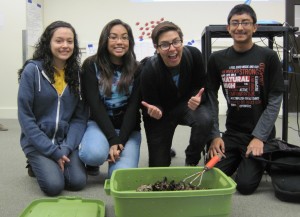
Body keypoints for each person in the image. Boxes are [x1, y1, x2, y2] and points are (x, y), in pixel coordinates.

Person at [207, 4, 285, 195]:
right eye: (235, 23)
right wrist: (215, 135)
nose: (240, 27)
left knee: (245, 186)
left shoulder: (269, 56)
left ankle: (262, 152)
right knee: (211, 174)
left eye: (245, 23)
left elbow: (276, 99)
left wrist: (259, 137)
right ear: (228, 28)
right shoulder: (217, 59)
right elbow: (210, 97)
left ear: (254, 27)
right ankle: (246, 159)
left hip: (260, 135)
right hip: (233, 133)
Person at [17, 21, 88, 196]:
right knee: (54, 186)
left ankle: (54, 162)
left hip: (64, 142)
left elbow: (79, 118)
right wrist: (51, 151)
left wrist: (65, 148)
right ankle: (35, 163)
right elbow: (25, 117)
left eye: (70, 41)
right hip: (38, 142)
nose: (65, 45)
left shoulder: (78, 75)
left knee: (77, 182)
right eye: (59, 41)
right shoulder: (32, 71)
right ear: (48, 43)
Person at [140, 21, 213, 167]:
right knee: (158, 167)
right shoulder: (148, 69)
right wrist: (154, 111)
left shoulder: (193, 55)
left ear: (182, 41)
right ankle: (164, 150)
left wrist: (198, 99)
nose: (172, 49)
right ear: (157, 48)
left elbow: (201, 88)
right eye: (165, 45)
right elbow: (148, 104)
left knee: (204, 119)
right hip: (161, 114)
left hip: (186, 106)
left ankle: (191, 158)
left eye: (176, 42)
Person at [79, 19, 141, 178]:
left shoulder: (137, 68)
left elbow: (134, 107)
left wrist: (120, 141)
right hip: (99, 124)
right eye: (113, 37)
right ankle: (94, 158)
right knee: (93, 155)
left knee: (120, 176)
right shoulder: (90, 65)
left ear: (130, 41)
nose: (119, 42)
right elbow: (95, 104)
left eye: (124, 37)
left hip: (128, 129)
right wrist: (112, 139)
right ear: (105, 40)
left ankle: (113, 153)